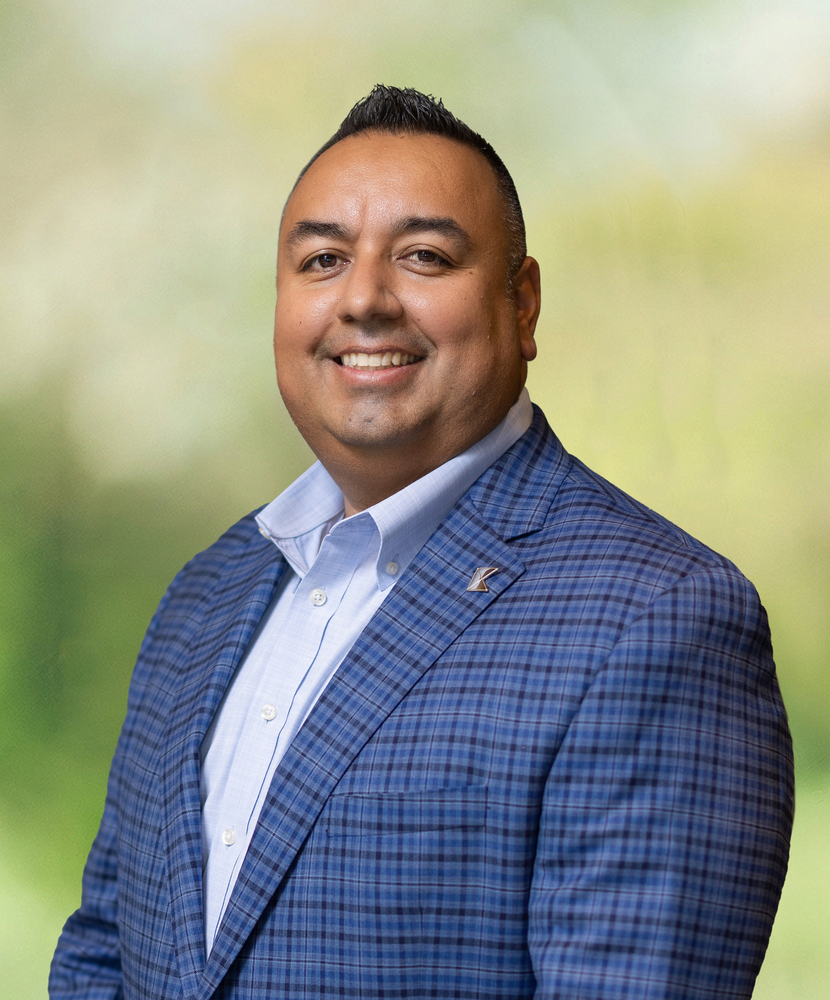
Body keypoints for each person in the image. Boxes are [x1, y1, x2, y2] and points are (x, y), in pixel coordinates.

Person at [50, 85, 793, 1000]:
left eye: (425, 257)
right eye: (323, 259)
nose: (364, 298)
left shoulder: (661, 618)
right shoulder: (206, 593)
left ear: (523, 304)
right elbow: (103, 953)